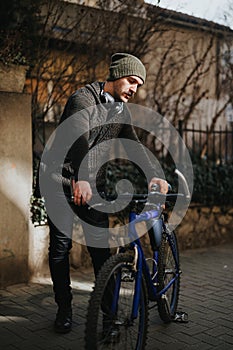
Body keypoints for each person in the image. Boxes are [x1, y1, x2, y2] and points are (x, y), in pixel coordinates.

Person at [39, 52, 168, 334]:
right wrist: (81, 179)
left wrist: (155, 173)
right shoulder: (82, 99)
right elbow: (79, 139)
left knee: (102, 250)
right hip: (59, 180)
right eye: (131, 81)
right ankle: (64, 309)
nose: (134, 89)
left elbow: (133, 143)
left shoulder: (120, 111)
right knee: (60, 249)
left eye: (138, 85)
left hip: (91, 185)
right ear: (115, 75)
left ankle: (109, 316)